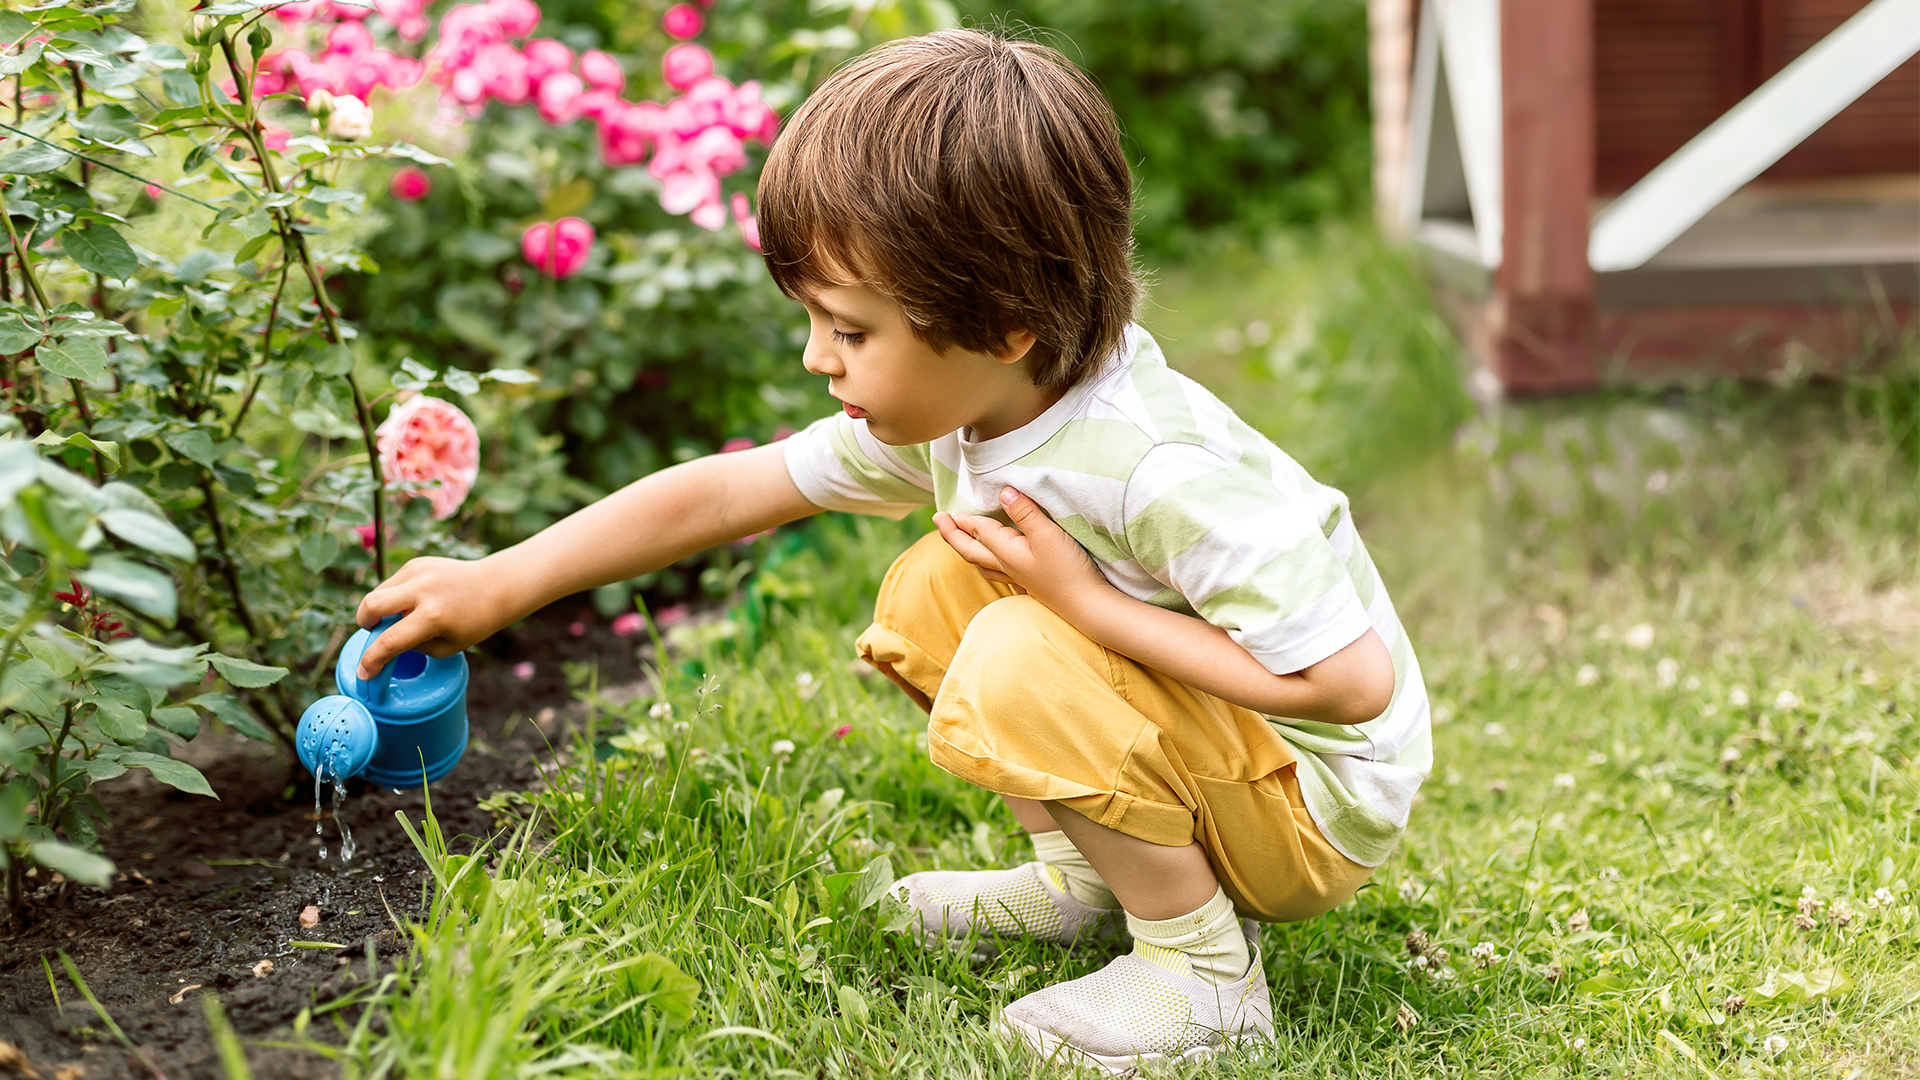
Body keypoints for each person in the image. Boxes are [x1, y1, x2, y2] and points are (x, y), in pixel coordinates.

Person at [355, 28, 1430, 1074]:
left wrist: (1089, 611)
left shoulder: (1155, 466)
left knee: (1018, 637)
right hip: (1230, 753)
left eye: (851, 329)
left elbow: (1348, 684)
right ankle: (1091, 882)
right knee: (937, 586)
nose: (818, 358)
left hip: (1313, 803)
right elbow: (734, 487)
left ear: (1005, 321)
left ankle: (1204, 980)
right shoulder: (988, 405)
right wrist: (503, 581)